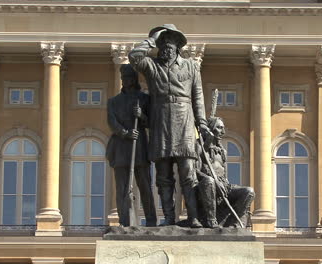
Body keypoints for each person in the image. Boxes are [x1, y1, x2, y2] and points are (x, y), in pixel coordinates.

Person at [128, 24, 211, 228]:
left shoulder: (191, 66)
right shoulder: (152, 65)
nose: (165, 46)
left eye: (170, 42)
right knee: (163, 176)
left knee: (188, 173)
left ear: (178, 46)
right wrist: (151, 39)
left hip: (184, 118)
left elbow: (197, 97)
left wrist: (201, 122)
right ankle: (169, 218)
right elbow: (134, 57)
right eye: (162, 43)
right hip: (160, 120)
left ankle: (193, 217)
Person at [106, 64, 157, 227]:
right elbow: (112, 122)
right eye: (124, 78)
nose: (126, 81)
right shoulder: (113, 102)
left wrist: (141, 116)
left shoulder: (144, 99)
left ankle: (150, 220)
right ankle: (124, 220)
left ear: (134, 80)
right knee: (121, 187)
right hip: (121, 146)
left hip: (139, 144)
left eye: (129, 78)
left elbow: (152, 122)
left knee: (144, 186)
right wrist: (125, 133)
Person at [196, 117, 255, 228]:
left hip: (223, 185)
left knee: (249, 192)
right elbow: (194, 171)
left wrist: (223, 184)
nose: (223, 132)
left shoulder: (222, 151)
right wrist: (214, 181)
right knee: (209, 182)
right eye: (219, 128)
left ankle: (232, 224)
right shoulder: (199, 147)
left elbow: (224, 173)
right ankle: (211, 221)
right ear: (210, 130)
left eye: (223, 128)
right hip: (205, 186)